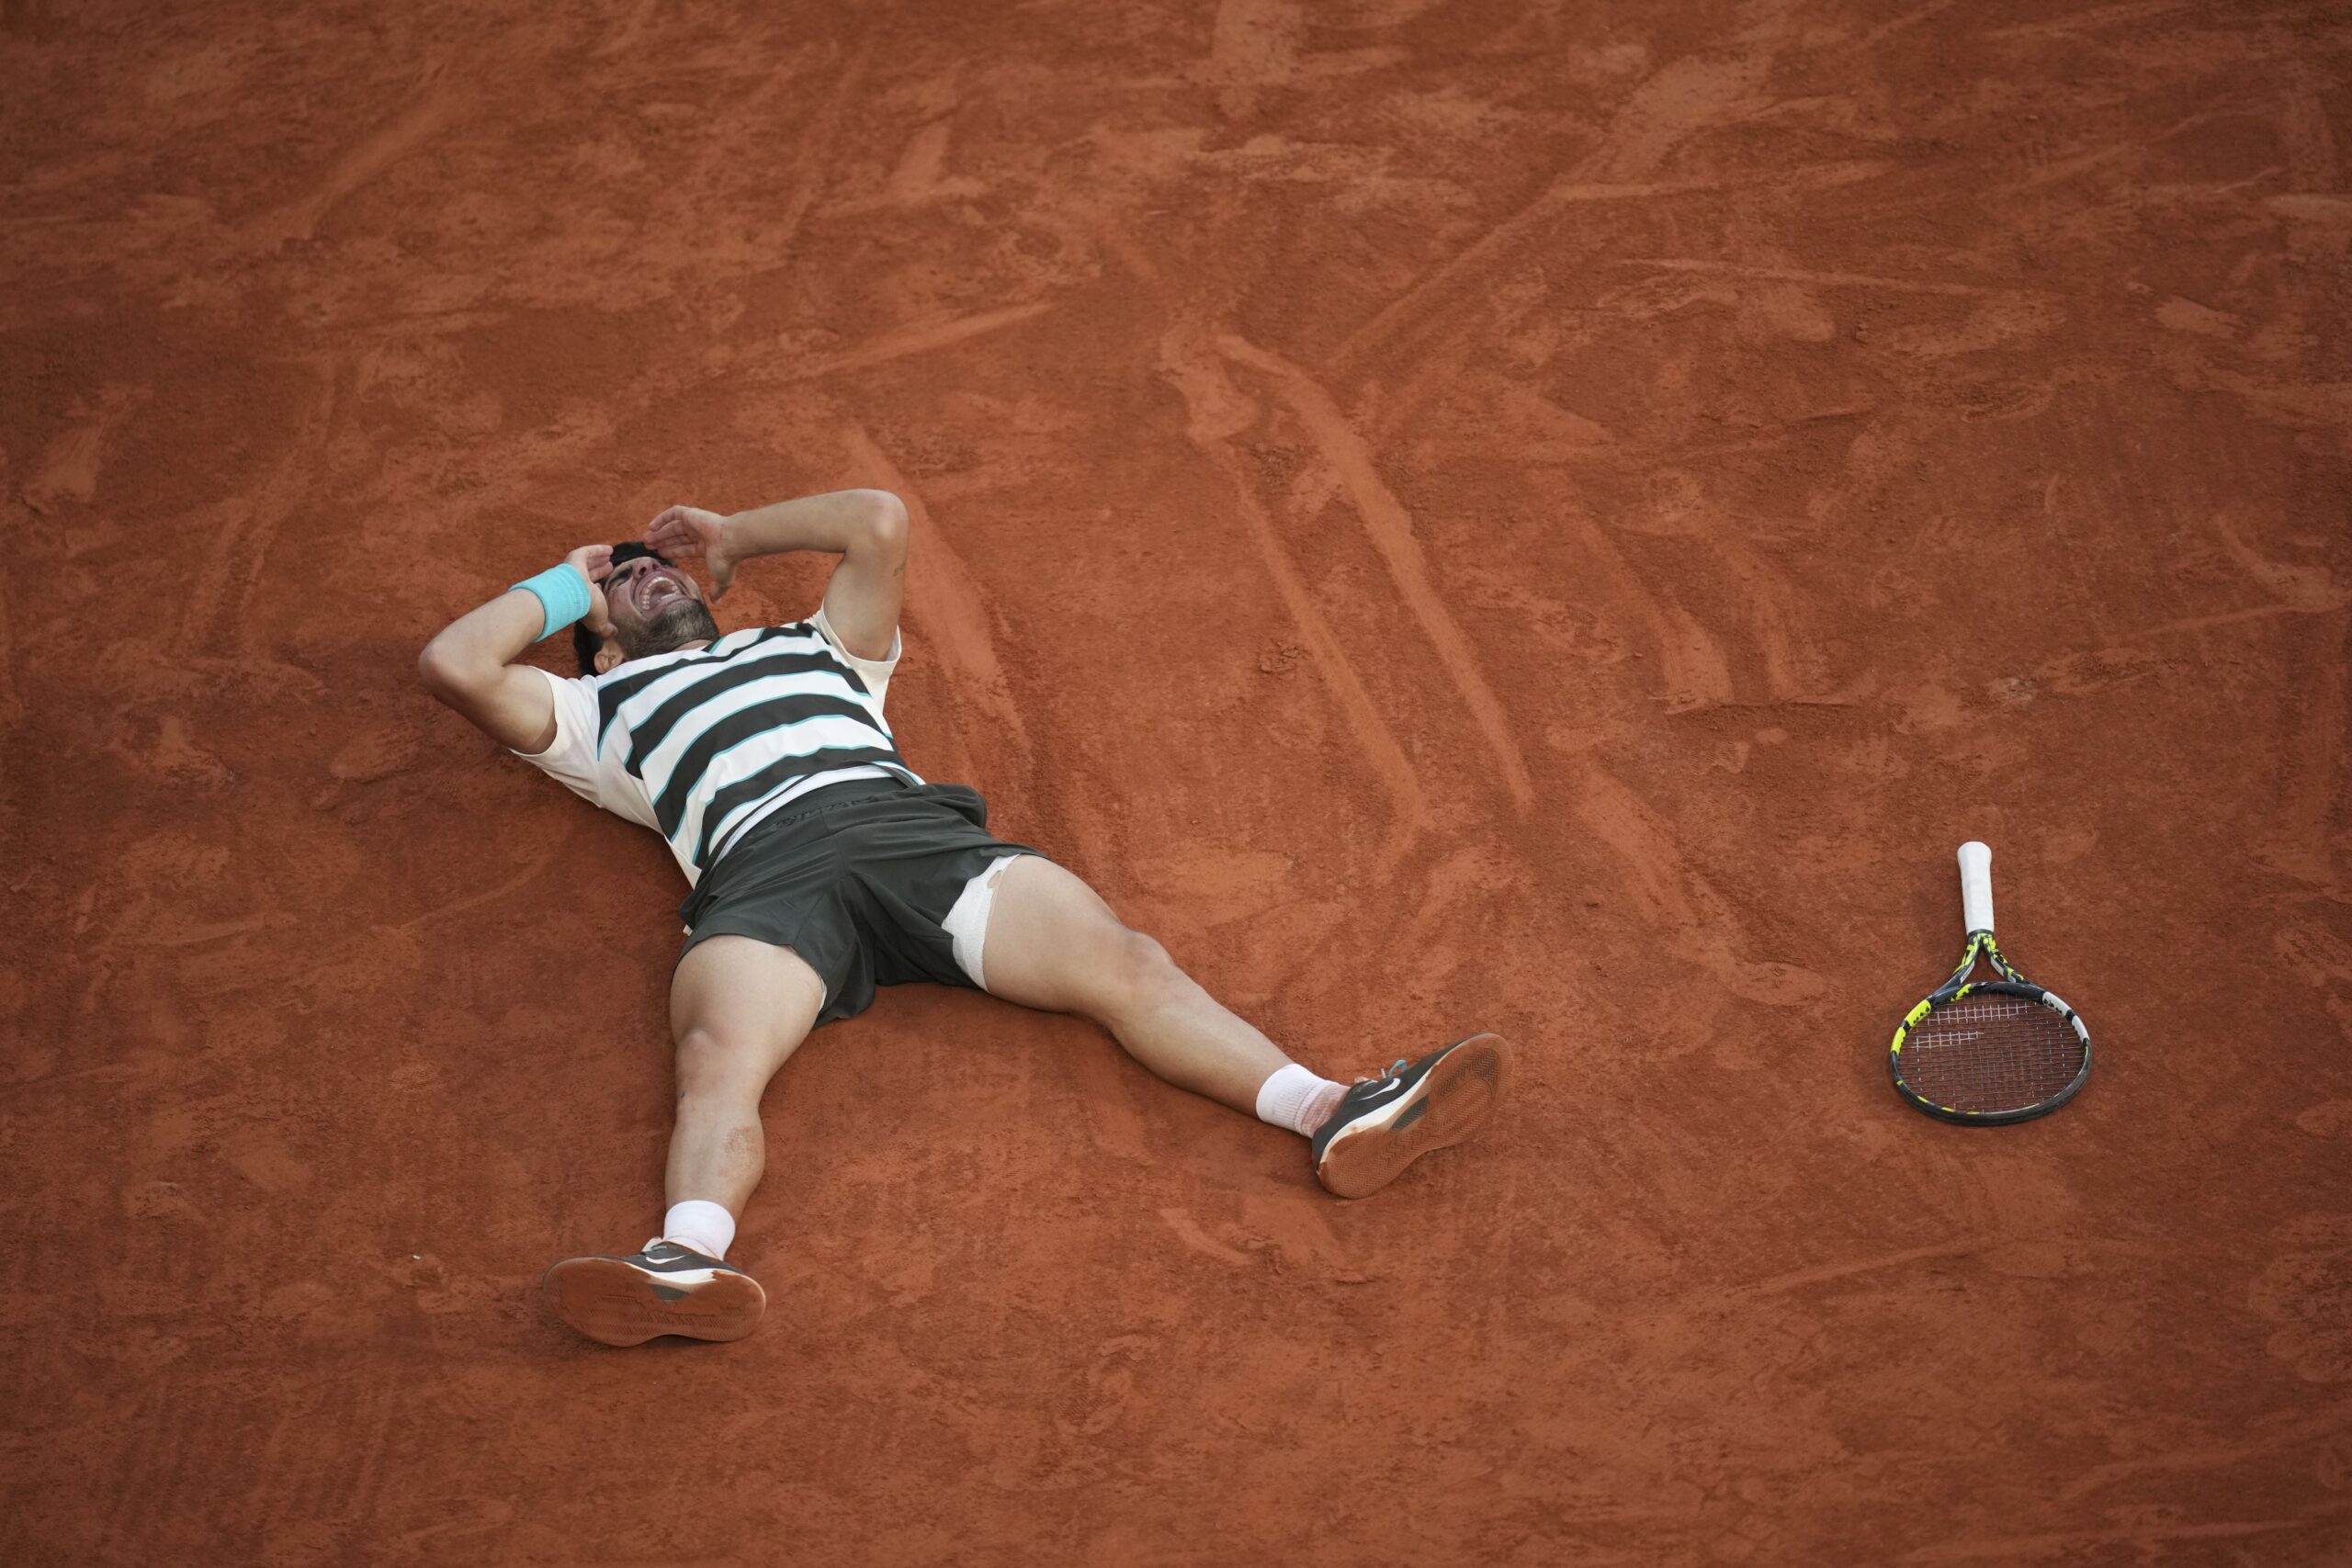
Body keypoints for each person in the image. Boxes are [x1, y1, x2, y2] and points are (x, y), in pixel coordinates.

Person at [417, 488, 1511, 1348]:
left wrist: (732, 532)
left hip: (915, 840)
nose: (645, 572)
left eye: (653, 562)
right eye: (627, 582)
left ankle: (1332, 1114)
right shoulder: (593, 709)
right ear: (598, 644)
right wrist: (567, 582)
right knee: (715, 1058)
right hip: (766, 879)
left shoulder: (819, 647)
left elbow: (876, 520)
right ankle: (685, 1263)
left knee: (1124, 964)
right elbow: (455, 663)